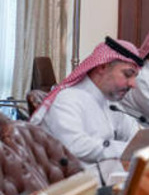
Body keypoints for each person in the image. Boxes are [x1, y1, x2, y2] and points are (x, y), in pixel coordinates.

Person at [33, 37, 143, 179]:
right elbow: (75, 146)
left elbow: (134, 134)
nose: (133, 84)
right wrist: (126, 149)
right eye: (127, 75)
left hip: (108, 179)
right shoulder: (68, 99)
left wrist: (144, 144)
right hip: (76, 185)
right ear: (102, 67)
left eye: (135, 77)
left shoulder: (111, 103)